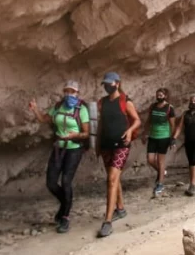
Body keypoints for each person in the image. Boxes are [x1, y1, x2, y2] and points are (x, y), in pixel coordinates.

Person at [28, 80, 89, 234]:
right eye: (67, 91)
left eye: (72, 92)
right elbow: (43, 119)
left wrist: (74, 135)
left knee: (66, 181)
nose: (69, 94)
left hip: (74, 149)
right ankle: (65, 204)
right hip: (58, 148)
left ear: (77, 93)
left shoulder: (81, 109)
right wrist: (35, 109)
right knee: (51, 183)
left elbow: (86, 133)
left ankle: (65, 217)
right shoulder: (57, 106)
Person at [96, 72, 141, 238]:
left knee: (112, 179)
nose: (107, 86)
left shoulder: (125, 101)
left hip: (122, 145)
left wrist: (130, 131)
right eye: (105, 84)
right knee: (113, 177)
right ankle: (120, 209)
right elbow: (101, 125)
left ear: (117, 83)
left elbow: (137, 120)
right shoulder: (102, 103)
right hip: (106, 145)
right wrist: (97, 145)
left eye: (110, 83)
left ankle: (107, 221)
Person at [172, 93, 195, 196]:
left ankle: (193, 185)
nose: (193, 103)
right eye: (192, 101)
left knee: (193, 160)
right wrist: (174, 138)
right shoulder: (186, 114)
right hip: (188, 141)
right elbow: (179, 127)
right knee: (191, 162)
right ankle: (192, 183)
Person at [141, 88, 176, 196]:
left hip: (163, 137)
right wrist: (145, 133)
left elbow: (173, 125)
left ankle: (160, 184)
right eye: (157, 95)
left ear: (165, 96)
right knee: (150, 159)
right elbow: (148, 121)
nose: (159, 97)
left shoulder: (169, 108)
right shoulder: (153, 106)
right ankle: (162, 172)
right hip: (152, 136)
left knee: (161, 161)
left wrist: (172, 139)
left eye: (161, 95)